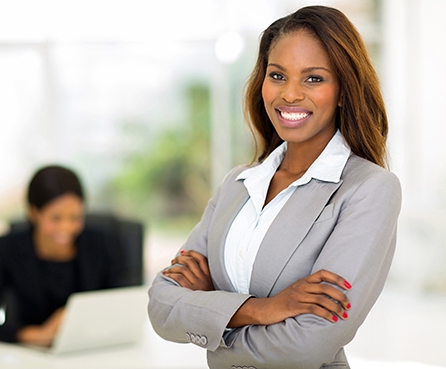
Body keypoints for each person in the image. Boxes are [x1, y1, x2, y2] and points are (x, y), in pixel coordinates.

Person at [148, 5, 401, 369]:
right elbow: (161, 305)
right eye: (277, 75)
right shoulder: (237, 184)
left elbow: (308, 346)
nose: (290, 95)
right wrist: (265, 309)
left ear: (344, 91)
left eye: (314, 78)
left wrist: (211, 313)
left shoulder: (369, 190)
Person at [0, 165, 124, 346]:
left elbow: (121, 307)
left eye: (75, 217)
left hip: (91, 348)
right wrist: (33, 335)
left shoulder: (101, 242)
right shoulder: (10, 247)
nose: (66, 228)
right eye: (56, 218)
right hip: (31, 355)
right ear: (34, 213)